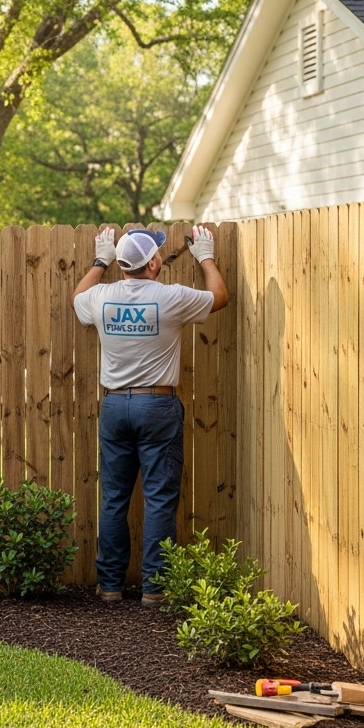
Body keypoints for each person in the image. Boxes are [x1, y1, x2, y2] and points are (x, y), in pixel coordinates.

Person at [71, 225, 229, 606]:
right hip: (157, 406)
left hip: (114, 406)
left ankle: (109, 586)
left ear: (123, 264)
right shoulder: (170, 297)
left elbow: (76, 297)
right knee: (158, 498)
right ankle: (155, 590)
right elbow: (219, 297)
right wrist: (205, 255)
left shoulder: (102, 297)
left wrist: (99, 261)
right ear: (155, 262)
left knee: (113, 498)